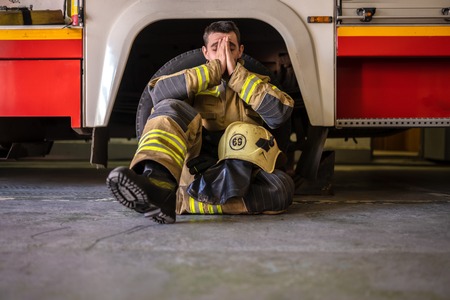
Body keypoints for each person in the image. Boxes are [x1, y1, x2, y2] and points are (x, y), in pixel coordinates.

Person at [107, 20, 295, 224]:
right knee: (170, 106)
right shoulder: (194, 79)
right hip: (195, 169)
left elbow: (280, 113)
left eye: (230, 47)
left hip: (242, 174)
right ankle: (158, 181)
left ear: (240, 51)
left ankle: (177, 200)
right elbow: (157, 93)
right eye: (216, 48)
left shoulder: (257, 82)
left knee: (280, 189)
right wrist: (213, 72)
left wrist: (237, 77)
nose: (224, 52)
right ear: (205, 53)